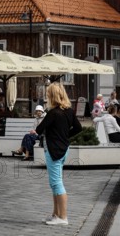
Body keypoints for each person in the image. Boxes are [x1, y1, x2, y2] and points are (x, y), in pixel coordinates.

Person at [36, 82, 82, 226]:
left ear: (52, 96)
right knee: (54, 183)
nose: (46, 96)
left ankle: (63, 217)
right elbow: (78, 128)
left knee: (57, 184)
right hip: (63, 148)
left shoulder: (53, 113)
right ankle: (56, 215)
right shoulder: (68, 111)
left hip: (54, 150)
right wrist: (65, 135)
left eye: (48, 94)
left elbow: (39, 129)